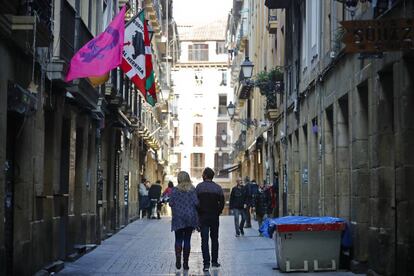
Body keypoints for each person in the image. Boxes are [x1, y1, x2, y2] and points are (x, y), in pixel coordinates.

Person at [196, 167, 225, 272]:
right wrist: (218, 212)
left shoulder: (199, 187)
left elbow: (196, 203)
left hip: (203, 217)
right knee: (214, 239)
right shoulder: (218, 188)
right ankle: (214, 261)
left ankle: (206, 264)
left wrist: (198, 213)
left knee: (204, 240)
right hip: (214, 217)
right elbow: (222, 203)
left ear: (205, 176)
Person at [169, 171, 199, 271]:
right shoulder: (192, 190)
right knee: (187, 239)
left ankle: (178, 257)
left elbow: (170, 203)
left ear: (179, 179)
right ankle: (185, 262)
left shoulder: (174, 190)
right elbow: (196, 203)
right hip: (190, 217)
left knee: (178, 239)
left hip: (178, 217)